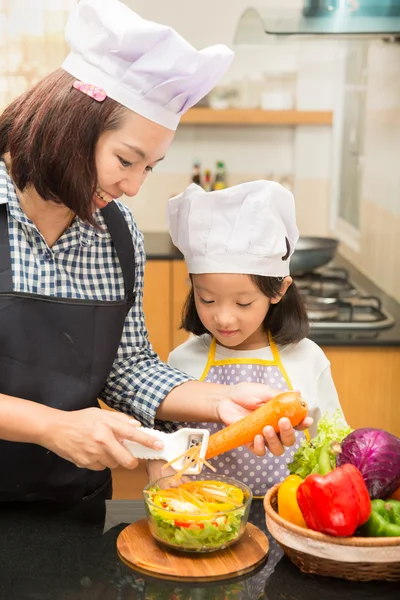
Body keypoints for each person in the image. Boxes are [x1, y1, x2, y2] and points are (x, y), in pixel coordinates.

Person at [0, 0, 310, 506]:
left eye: (150, 167)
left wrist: (222, 401)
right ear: (71, 126)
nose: (133, 187)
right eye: (126, 160)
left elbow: (130, 369)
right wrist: (49, 426)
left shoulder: (117, 234)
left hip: (71, 506)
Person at [167, 180, 343, 497]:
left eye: (243, 303)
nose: (223, 317)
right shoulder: (182, 360)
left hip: (288, 516)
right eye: (206, 299)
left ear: (279, 290)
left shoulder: (307, 358)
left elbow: (333, 444)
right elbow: (180, 451)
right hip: (204, 513)